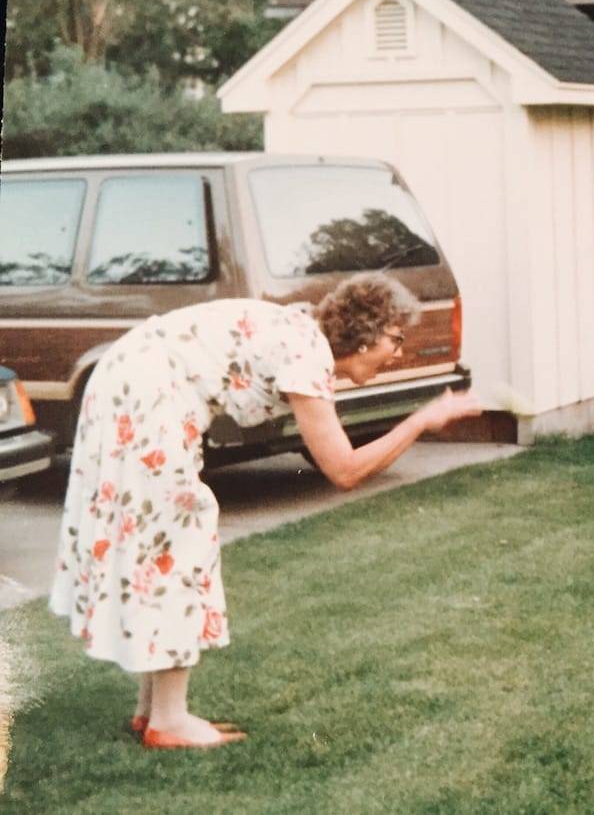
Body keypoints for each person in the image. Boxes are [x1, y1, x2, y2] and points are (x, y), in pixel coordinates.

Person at [48, 274, 482, 748]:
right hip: (144, 395)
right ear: (364, 331)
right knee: (178, 535)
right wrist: (421, 420)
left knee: (161, 539)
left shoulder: (301, 336)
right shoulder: (307, 351)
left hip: (127, 382)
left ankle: (153, 710)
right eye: (395, 339)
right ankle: (168, 721)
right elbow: (344, 469)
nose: (398, 353)